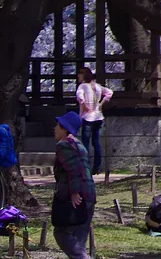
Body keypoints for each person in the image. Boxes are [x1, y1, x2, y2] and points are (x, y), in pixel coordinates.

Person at [51, 111, 95, 259]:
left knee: (61, 233)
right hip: (89, 195)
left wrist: (75, 193)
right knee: (79, 238)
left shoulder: (63, 145)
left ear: (64, 128)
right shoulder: (79, 144)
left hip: (76, 196)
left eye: (57, 125)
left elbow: (74, 169)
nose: (54, 128)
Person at [75, 67, 113, 174]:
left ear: (84, 76)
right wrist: (101, 103)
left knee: (85, 143)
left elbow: (79, 96)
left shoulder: (83, 86)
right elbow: (109, 92)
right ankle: (97, 166)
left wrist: (84, 105)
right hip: (98, 116)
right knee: (96, 142)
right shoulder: (97, 86)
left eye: (80, 74)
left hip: (88, 117)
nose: (78, 76)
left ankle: (85, 166)